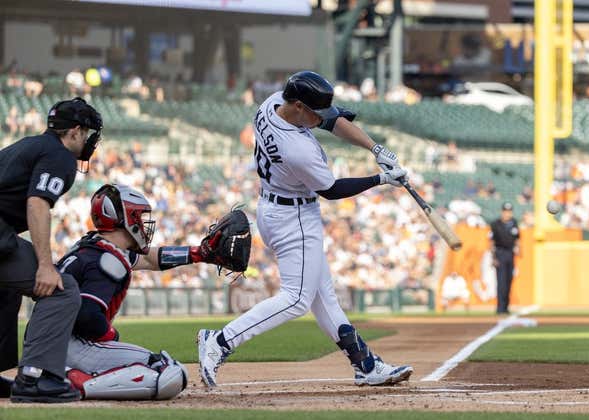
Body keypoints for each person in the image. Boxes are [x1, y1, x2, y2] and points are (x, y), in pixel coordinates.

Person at [198, 70, 413, 387]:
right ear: (298, 105)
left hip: (276, 208)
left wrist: (375, 149)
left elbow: (333, 119)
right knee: (297, 299)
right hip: (293, 218)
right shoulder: (297, 149)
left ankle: (365, 365)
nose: (321, 119)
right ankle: (220, 341)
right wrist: (381, 179)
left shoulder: (273, 104)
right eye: (315, 112)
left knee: (324, 298)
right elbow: (331, 190)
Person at [58, 184, 225, 400]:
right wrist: (109, 334)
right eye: (139, 216)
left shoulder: (90, 246)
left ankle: (61, 373)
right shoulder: (108, 260)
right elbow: (88, 317)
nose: (144, 224)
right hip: (74, 345)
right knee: (169, 371)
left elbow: (149, 258)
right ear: (126, 218)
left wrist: (199, 253)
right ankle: (79, 384)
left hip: (49, 343)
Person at [0, 97, 102, 402]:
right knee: (61, 289)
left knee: (5, 290)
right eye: (86, 134)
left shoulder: (29, 145)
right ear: (73, 132)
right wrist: (45, 264)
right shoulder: (59, 156)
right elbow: (37, 202)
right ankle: (35, 378)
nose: (88, 141)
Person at [489, 202, 520, 315]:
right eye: (506, 211)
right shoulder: (495, 224)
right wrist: (493, 257)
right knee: (501, 281)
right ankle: (500, 307)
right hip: (500, 253)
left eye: (509, 211)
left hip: (510, 254)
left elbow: (517, 238)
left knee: (509, 281)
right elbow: (491, 242)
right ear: (502, 212)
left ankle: (506, 307)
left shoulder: (514, 223)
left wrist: (518, 249)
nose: (508, 214)